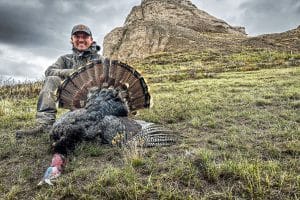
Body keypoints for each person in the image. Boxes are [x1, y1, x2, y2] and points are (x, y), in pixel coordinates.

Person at [16, 24, 104, 138]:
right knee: (52, 79)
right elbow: (49, 71)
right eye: (77, 37)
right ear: (71, 40)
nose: (81, 39)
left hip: (95, 101)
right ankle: (45, 125)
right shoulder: (64, 59)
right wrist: (72, 72)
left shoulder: (100, 60)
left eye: (85, 37)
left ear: (91, 40)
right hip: (73, 100)